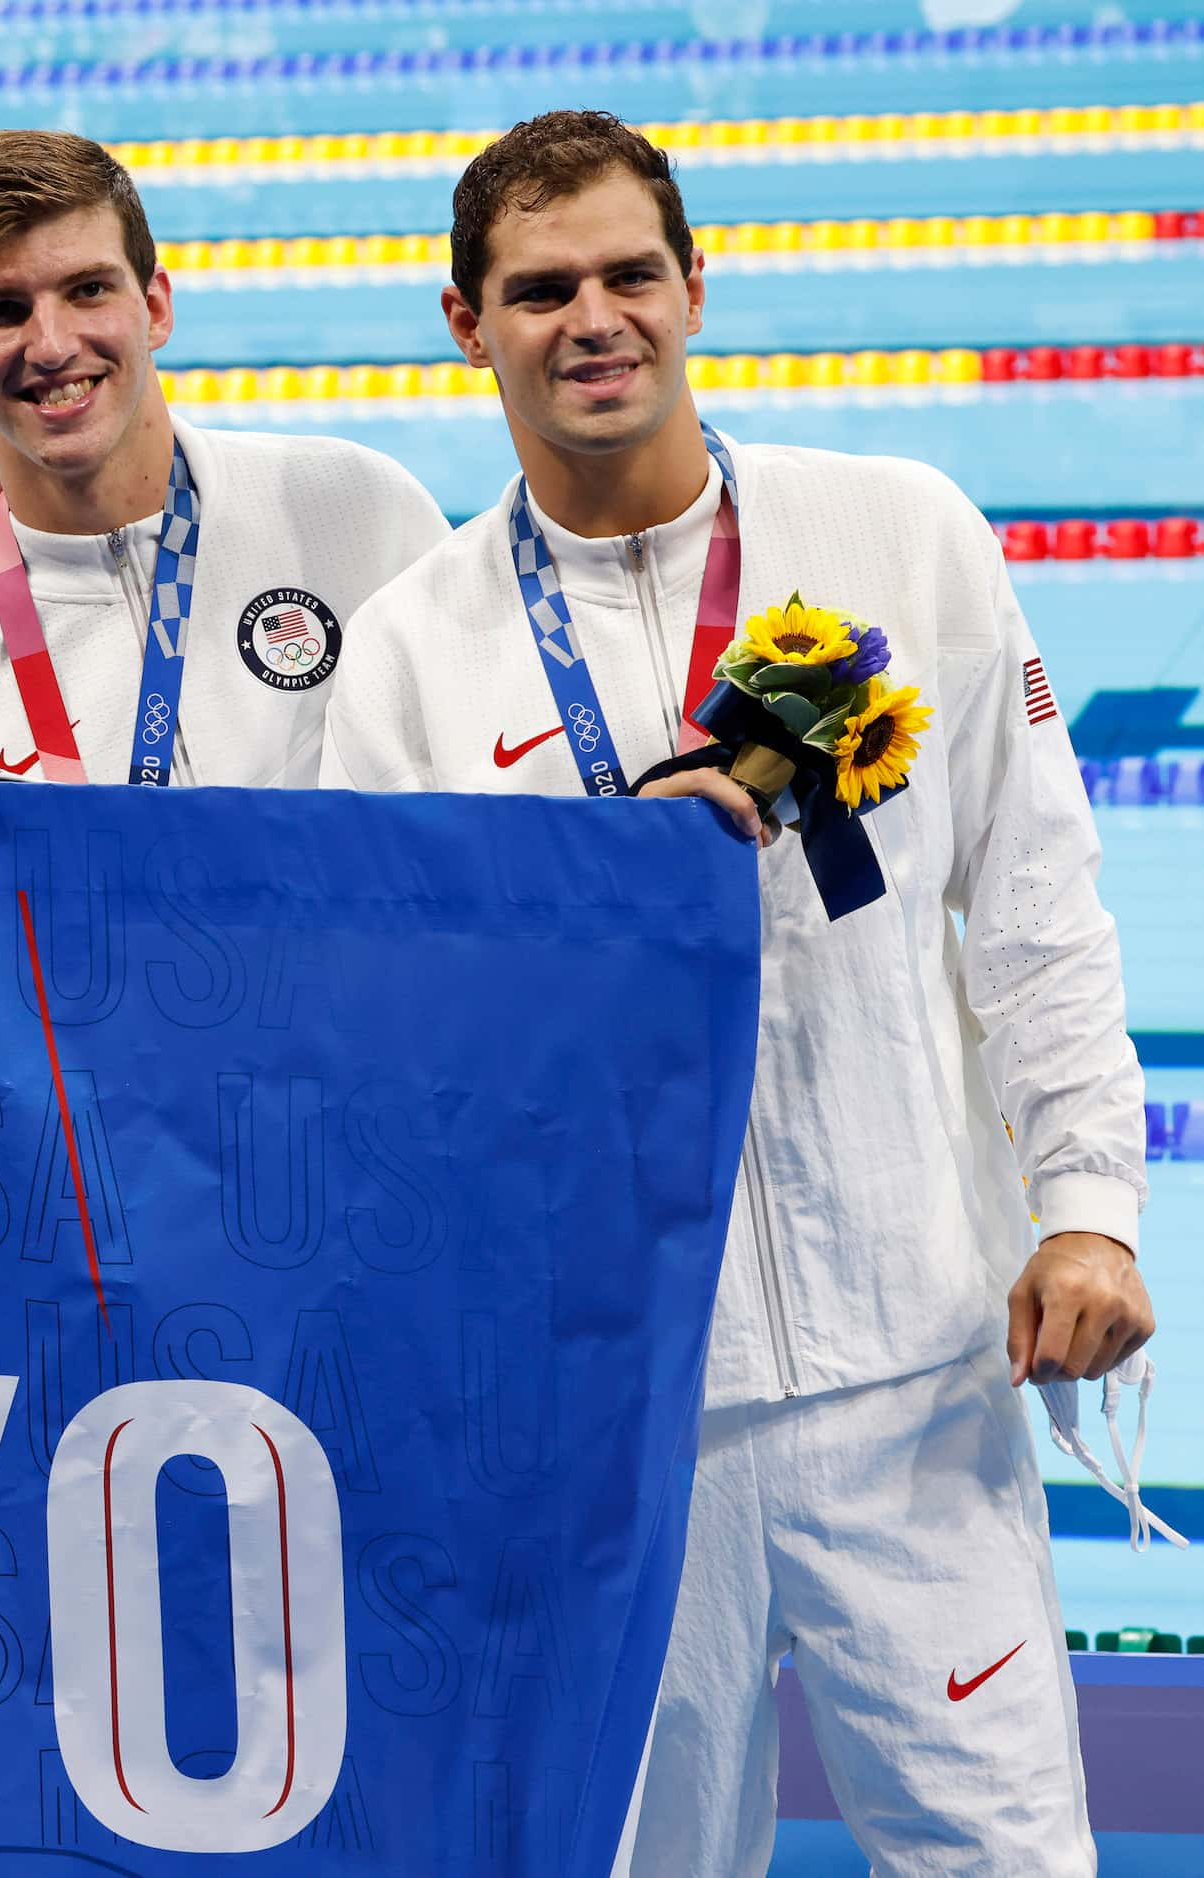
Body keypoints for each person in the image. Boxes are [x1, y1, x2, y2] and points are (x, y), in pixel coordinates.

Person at [318, 110, 1153, 1874]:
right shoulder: (409, 652)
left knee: (1003, 1854)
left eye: (630, 273)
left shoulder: (897, 532)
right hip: (617, 1421)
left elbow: (1035, 908)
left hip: (914, 1377)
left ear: (698, 286)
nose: (593, 316)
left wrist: (1087, 1209)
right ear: (467, 324)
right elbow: (398, 1053)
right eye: (540, 288)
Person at [0, 129, 447, 808]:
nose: (53, 345)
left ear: (154, 307)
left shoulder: (357, 512)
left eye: (87, 290)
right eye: (1, 311)